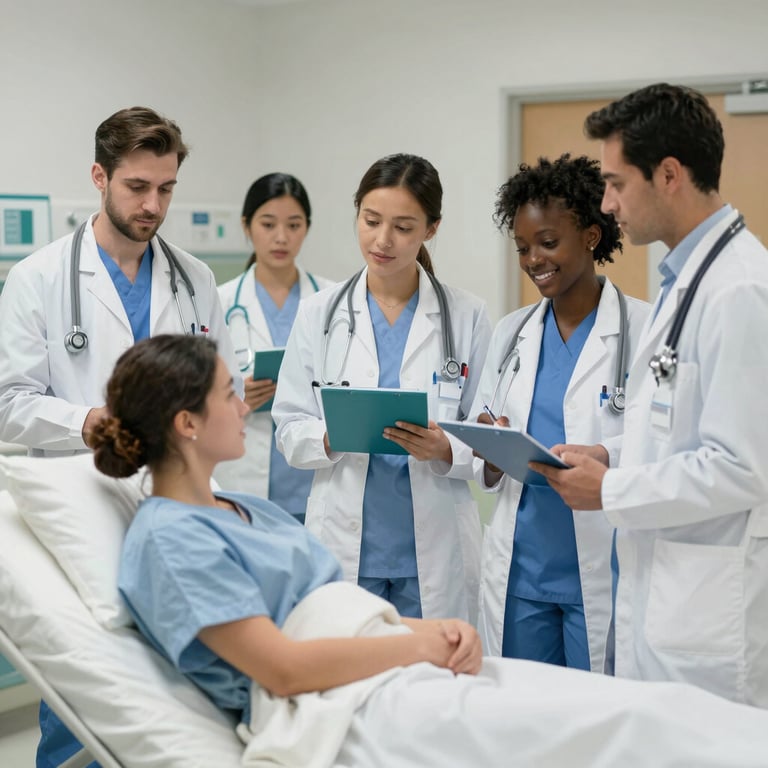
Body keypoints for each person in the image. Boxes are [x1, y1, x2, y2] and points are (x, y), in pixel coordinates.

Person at [89, 333, 768, 768]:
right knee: (621, 726)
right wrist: (417, 645)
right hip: (348, 714)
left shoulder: (246, 509)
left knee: (632, 709)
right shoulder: (169, 539)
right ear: (186, 423)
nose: (245, 406)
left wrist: (435, 630)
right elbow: (286, 668)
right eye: (229, 394)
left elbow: (331, 607)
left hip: (388, 673)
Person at [0, 106, 238, 766]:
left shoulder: (194, 280)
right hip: (83, 502)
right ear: (99, 177)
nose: (153, 204)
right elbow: (8, 405)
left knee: (179, 697)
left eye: (166, 188)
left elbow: (226, 383)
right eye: (138, 187)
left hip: (176, 503)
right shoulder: (39, 279)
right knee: (83, 693)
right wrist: (86, 421)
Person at [532, 83, 768, 707]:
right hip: (668, 607)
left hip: (709, 621)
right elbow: (679, 428)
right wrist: (614, 457)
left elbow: (742, 467)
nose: (607, 204)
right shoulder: (684, 280)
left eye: (616, 183)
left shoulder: (739, 291)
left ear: (669, 174)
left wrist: (610, 491)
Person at [271, 154, 492, 621]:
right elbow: (289, 424)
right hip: (345, 539)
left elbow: (488, 433)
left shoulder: (467, 317)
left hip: (433, 544)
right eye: (371, 221)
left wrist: (445, 447)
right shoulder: (319, 314)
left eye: (403, 227)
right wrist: (330, 436)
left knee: (432, 680)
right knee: (353, 676)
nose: (382, 240)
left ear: (431, 229)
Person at [468, 154, 649, 672]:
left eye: (548, 243)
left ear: (592, 236)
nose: (533, 260)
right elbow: (485, 439)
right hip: (522, 570)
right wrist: (490, 447)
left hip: (605, 562)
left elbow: (659, 439)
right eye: (523, 247)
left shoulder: (645, 328)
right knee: (527, 721)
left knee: (599, 724)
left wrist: (607, 456)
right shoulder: (511, 332)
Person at [214, 174, 334, 522]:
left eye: (294, 225)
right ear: (246, 226)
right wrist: (236, 400)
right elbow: (193, 395)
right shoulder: (219, 302)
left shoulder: (333, 303)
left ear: (306, 228)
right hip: (243, 472)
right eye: (268, 224)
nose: (281, 237)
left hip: (314, 475)